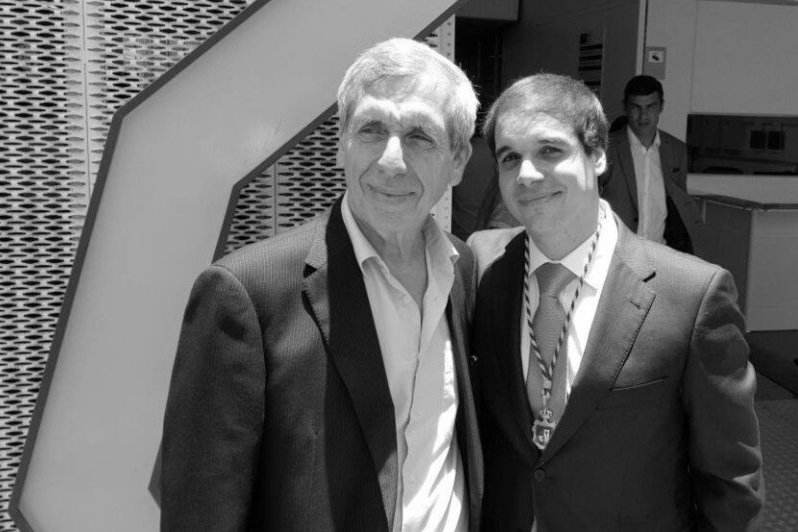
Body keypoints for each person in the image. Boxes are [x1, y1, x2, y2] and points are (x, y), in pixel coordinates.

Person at [160, 38, 483, 532]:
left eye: (420, 136)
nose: (391, 161)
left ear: (458, 160)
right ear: (341, 143)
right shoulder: (245, 293)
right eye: (371, 129)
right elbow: (202, 512)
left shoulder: (464, 270)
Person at [469, 73, 764, 531]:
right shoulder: (481, 269)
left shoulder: (692, 295)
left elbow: (732, 484)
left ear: (598, 154)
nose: (526, 175)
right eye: (510, 157)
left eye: (550, 150)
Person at [599, 75, 702, 253]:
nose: (643, 115)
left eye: (651, 107)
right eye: (636, 107)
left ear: (661, 107)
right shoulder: (607, 148)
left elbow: (679, 201)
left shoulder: (676, 150)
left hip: (660, 252)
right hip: (616, 252)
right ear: (625, 107)